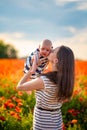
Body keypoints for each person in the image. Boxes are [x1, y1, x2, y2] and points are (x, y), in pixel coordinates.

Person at [17, 45, 75, 130]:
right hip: (57, 122)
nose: (50, 50)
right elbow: (65, 99)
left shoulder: (45, 80)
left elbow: (19, 87)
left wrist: (31, 70)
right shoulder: (66, 80)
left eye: (53, 51)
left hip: (42, 124)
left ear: (55, 60)